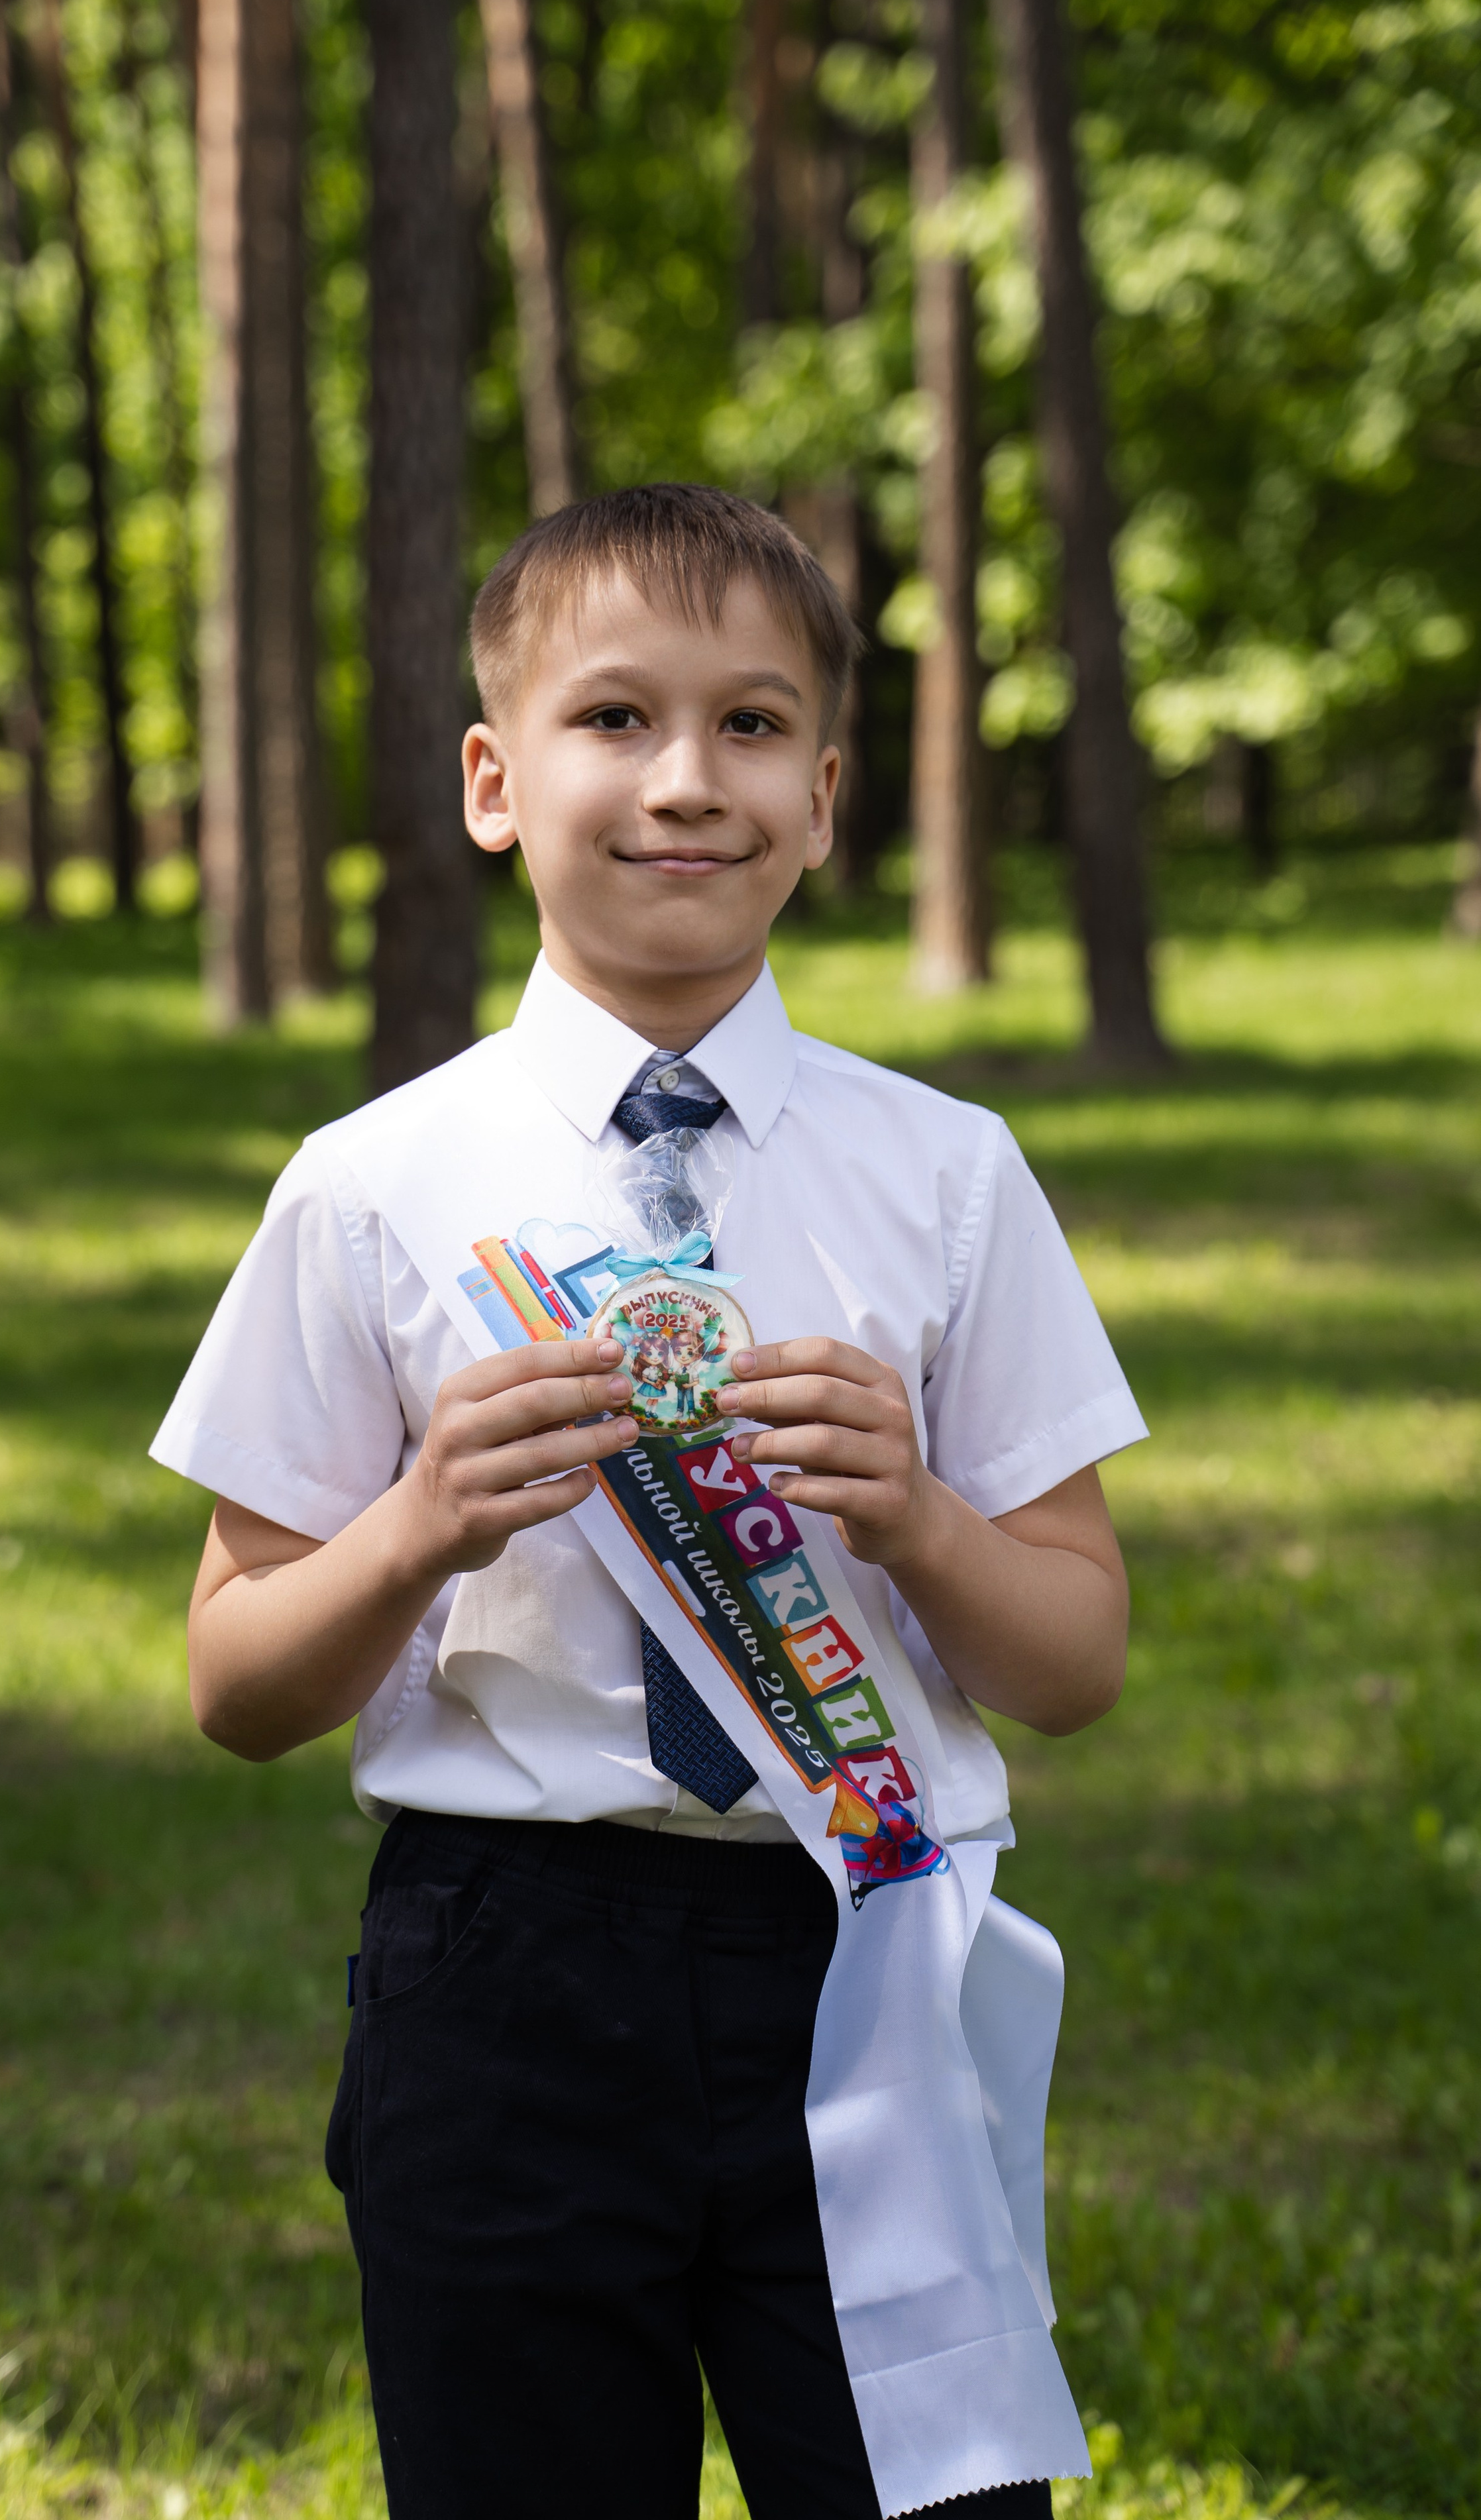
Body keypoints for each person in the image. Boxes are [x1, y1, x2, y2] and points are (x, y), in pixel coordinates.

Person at [151, 484, 1146, 2520]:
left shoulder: (949, 1174)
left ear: (826, 799)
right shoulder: (376, 1185)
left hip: (864, 1939)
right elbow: (237, 1682)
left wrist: (923, 1521)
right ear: (493, 783)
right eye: (615, 717)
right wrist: (418, 1524)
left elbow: (1077, 1662)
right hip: (501, 1972)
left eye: (753, 724)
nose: (688, 779)